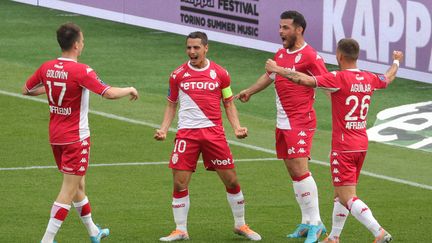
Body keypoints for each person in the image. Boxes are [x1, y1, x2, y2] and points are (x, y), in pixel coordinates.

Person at [265, 38, 402, 243]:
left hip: (343, 146)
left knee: (347, 197)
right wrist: (397, 61)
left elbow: (304, 80)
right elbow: (388, 77)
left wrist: (279, 69)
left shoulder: (337, 78)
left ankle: (378, 231)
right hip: (361, 144)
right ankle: (334, 237)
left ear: (339, 56)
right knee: (340, 193)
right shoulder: (368, 78)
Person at [22, 22, 139, 243]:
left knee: (78, 186)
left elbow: (26, 90)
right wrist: (129, 89)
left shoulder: (46, 67)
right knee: (68, 189)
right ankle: (47, 239)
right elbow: (109, 93)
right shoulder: (82, 71)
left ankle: (94, 232)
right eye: (82, 41)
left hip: (56, 137)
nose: (83, 44)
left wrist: (49, 88)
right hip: (76, 139)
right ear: (76, 45)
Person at [154, 31, 261, 242]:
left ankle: (240, 224)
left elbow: (228, 103)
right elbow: (171, 104)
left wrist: (237, 127)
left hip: (214, 135)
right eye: (188, 48)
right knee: (179, 183)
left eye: (196, 47)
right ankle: (181, 229)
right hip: (187, 134)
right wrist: (164, 129)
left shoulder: (221, 74)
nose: (191, 52)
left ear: (206, 48)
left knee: (231, 181)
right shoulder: (177, 75)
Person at [236, 10, 327, 242]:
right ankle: (306, 222)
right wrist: (250, 91)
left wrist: (280, 70)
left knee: (301, 170)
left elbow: (324, 82)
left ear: (299, 30)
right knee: (294, 173)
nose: (280, 31)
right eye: (280, 27)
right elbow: (269, 76)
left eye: (285, 27)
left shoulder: (310, 56)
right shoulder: (280, 53)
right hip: (283, 121)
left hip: (301, 120)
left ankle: (317, 223)